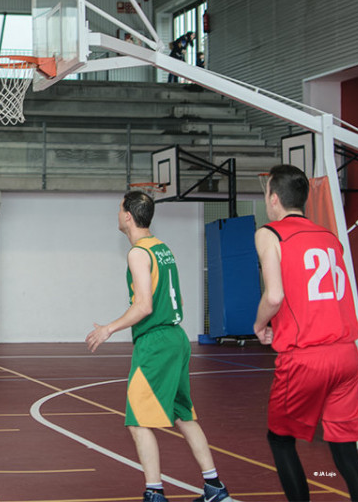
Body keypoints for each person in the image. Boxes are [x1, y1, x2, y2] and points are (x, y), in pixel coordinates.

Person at [85, 191, 230, 502]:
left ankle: (154, 493)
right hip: (177, 338)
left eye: (118, 209)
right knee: (184, 416)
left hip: (156, 343)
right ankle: (214, 487)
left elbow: (144, 306)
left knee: (137, 422)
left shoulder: (138, 253)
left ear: (127, 216)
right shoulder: (162, 248)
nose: (117, 213)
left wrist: (109, 328)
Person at [254, 165, 358, 502]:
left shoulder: (270, 233)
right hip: (347, 355)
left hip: (307, 356)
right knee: (345, 452)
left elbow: (274, 295)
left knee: (280, 439)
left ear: (274, 198)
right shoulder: (329, 237)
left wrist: (259, 325)